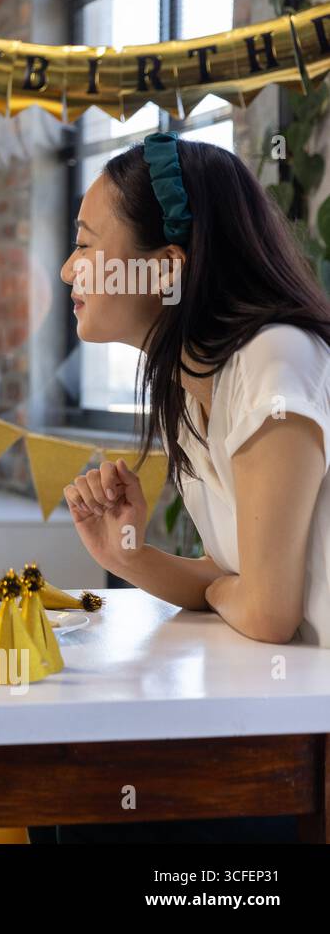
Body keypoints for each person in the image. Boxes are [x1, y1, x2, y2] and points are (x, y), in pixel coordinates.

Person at [60, 132, 330, 648]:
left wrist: (234, 592)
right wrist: (125, 553)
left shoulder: (273, 362)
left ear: (165, 268)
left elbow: (267, 612)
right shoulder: (189, 391)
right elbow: (230, 578)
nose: (68, 268)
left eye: (85, 244)